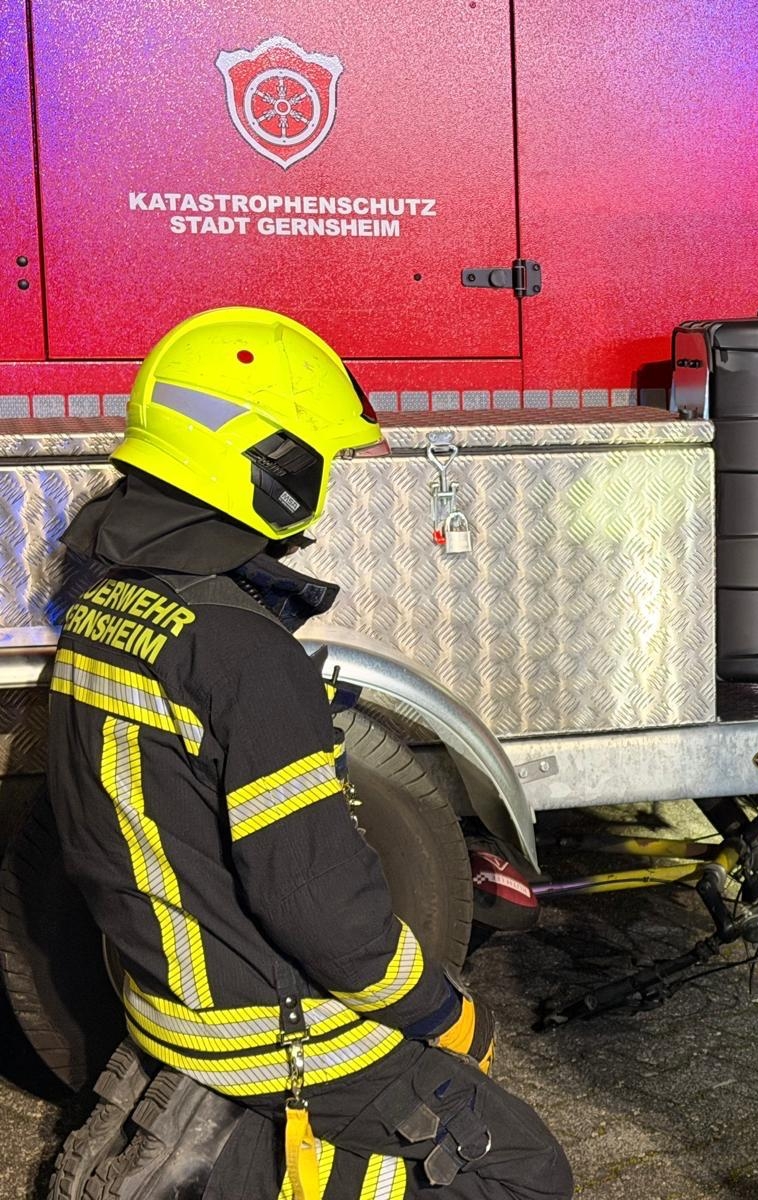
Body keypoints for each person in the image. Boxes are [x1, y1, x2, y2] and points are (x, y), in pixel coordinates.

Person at [45, 307, 572, 1200]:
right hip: (267, 1029)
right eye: (314, 456)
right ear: (266, 465)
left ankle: (237, 1147)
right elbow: (325, 914)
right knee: (525, 1174)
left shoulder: (101, 604)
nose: (324, 477)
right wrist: (446, 1014)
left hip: (165, 1006)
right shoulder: (244, 650)